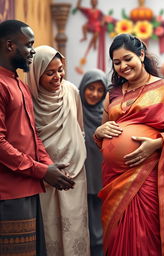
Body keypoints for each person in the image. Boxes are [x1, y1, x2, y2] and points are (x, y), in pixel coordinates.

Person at [94, 33, 164, 255]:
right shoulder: (112, 93)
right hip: (114, 179)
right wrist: (99, 131)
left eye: (127, 58)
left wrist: (157, 144)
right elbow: (103, 134)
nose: (123, 66)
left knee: (145, 237)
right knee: (116, 238)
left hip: (149, 178)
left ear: (141, 55)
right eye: (117, 62)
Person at [0, 20, 74, 256]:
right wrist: (42, 171)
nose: (33, 50)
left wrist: (50, 167)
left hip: (29, 188)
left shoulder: (19, 85)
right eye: (29, 44)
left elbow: (33, 135)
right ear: (10, 46)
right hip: (8, 193)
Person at [25, 45, 90, 256]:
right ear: (36, 74)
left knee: (75, 225)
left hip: (75, 172)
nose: (58, 77)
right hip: (44, 174)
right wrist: (45, 169)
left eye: (60, 70)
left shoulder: (71, 91)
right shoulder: (28, 98)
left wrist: (74, 157)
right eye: (49, 73)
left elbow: (79, 128)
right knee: (49, 227)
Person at [79, 69, 108, 256]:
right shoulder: (74, 112)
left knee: (100, 231)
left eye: (100, 90)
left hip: (101, 182)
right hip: (79, 181)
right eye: (91, 88)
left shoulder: (106, 115)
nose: (95, 94)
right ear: (82, 88)